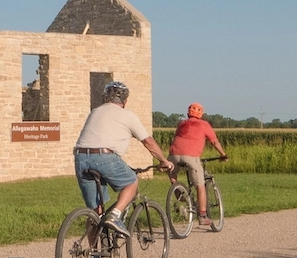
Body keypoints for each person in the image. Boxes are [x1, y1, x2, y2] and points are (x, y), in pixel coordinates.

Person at [73, 81, 174, 237]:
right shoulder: (128, 116)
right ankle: (115, 216)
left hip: (81, 158)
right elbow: (149, 142)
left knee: (96, 212)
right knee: (131, 182)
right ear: (125, 101)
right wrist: (164, 161)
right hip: (104, 157)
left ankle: (94, 251)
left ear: (106, 98)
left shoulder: (95, 112)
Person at [168, 102, 228, 225]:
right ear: (201, 114)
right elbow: (214, 142)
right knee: (200, 185)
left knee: (173, 175)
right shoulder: (204, 124)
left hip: (173, 155)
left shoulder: (181, 124)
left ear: (188, 113)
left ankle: (178, 191)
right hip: (191, 157)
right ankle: (203, 216)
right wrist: (223, 154)